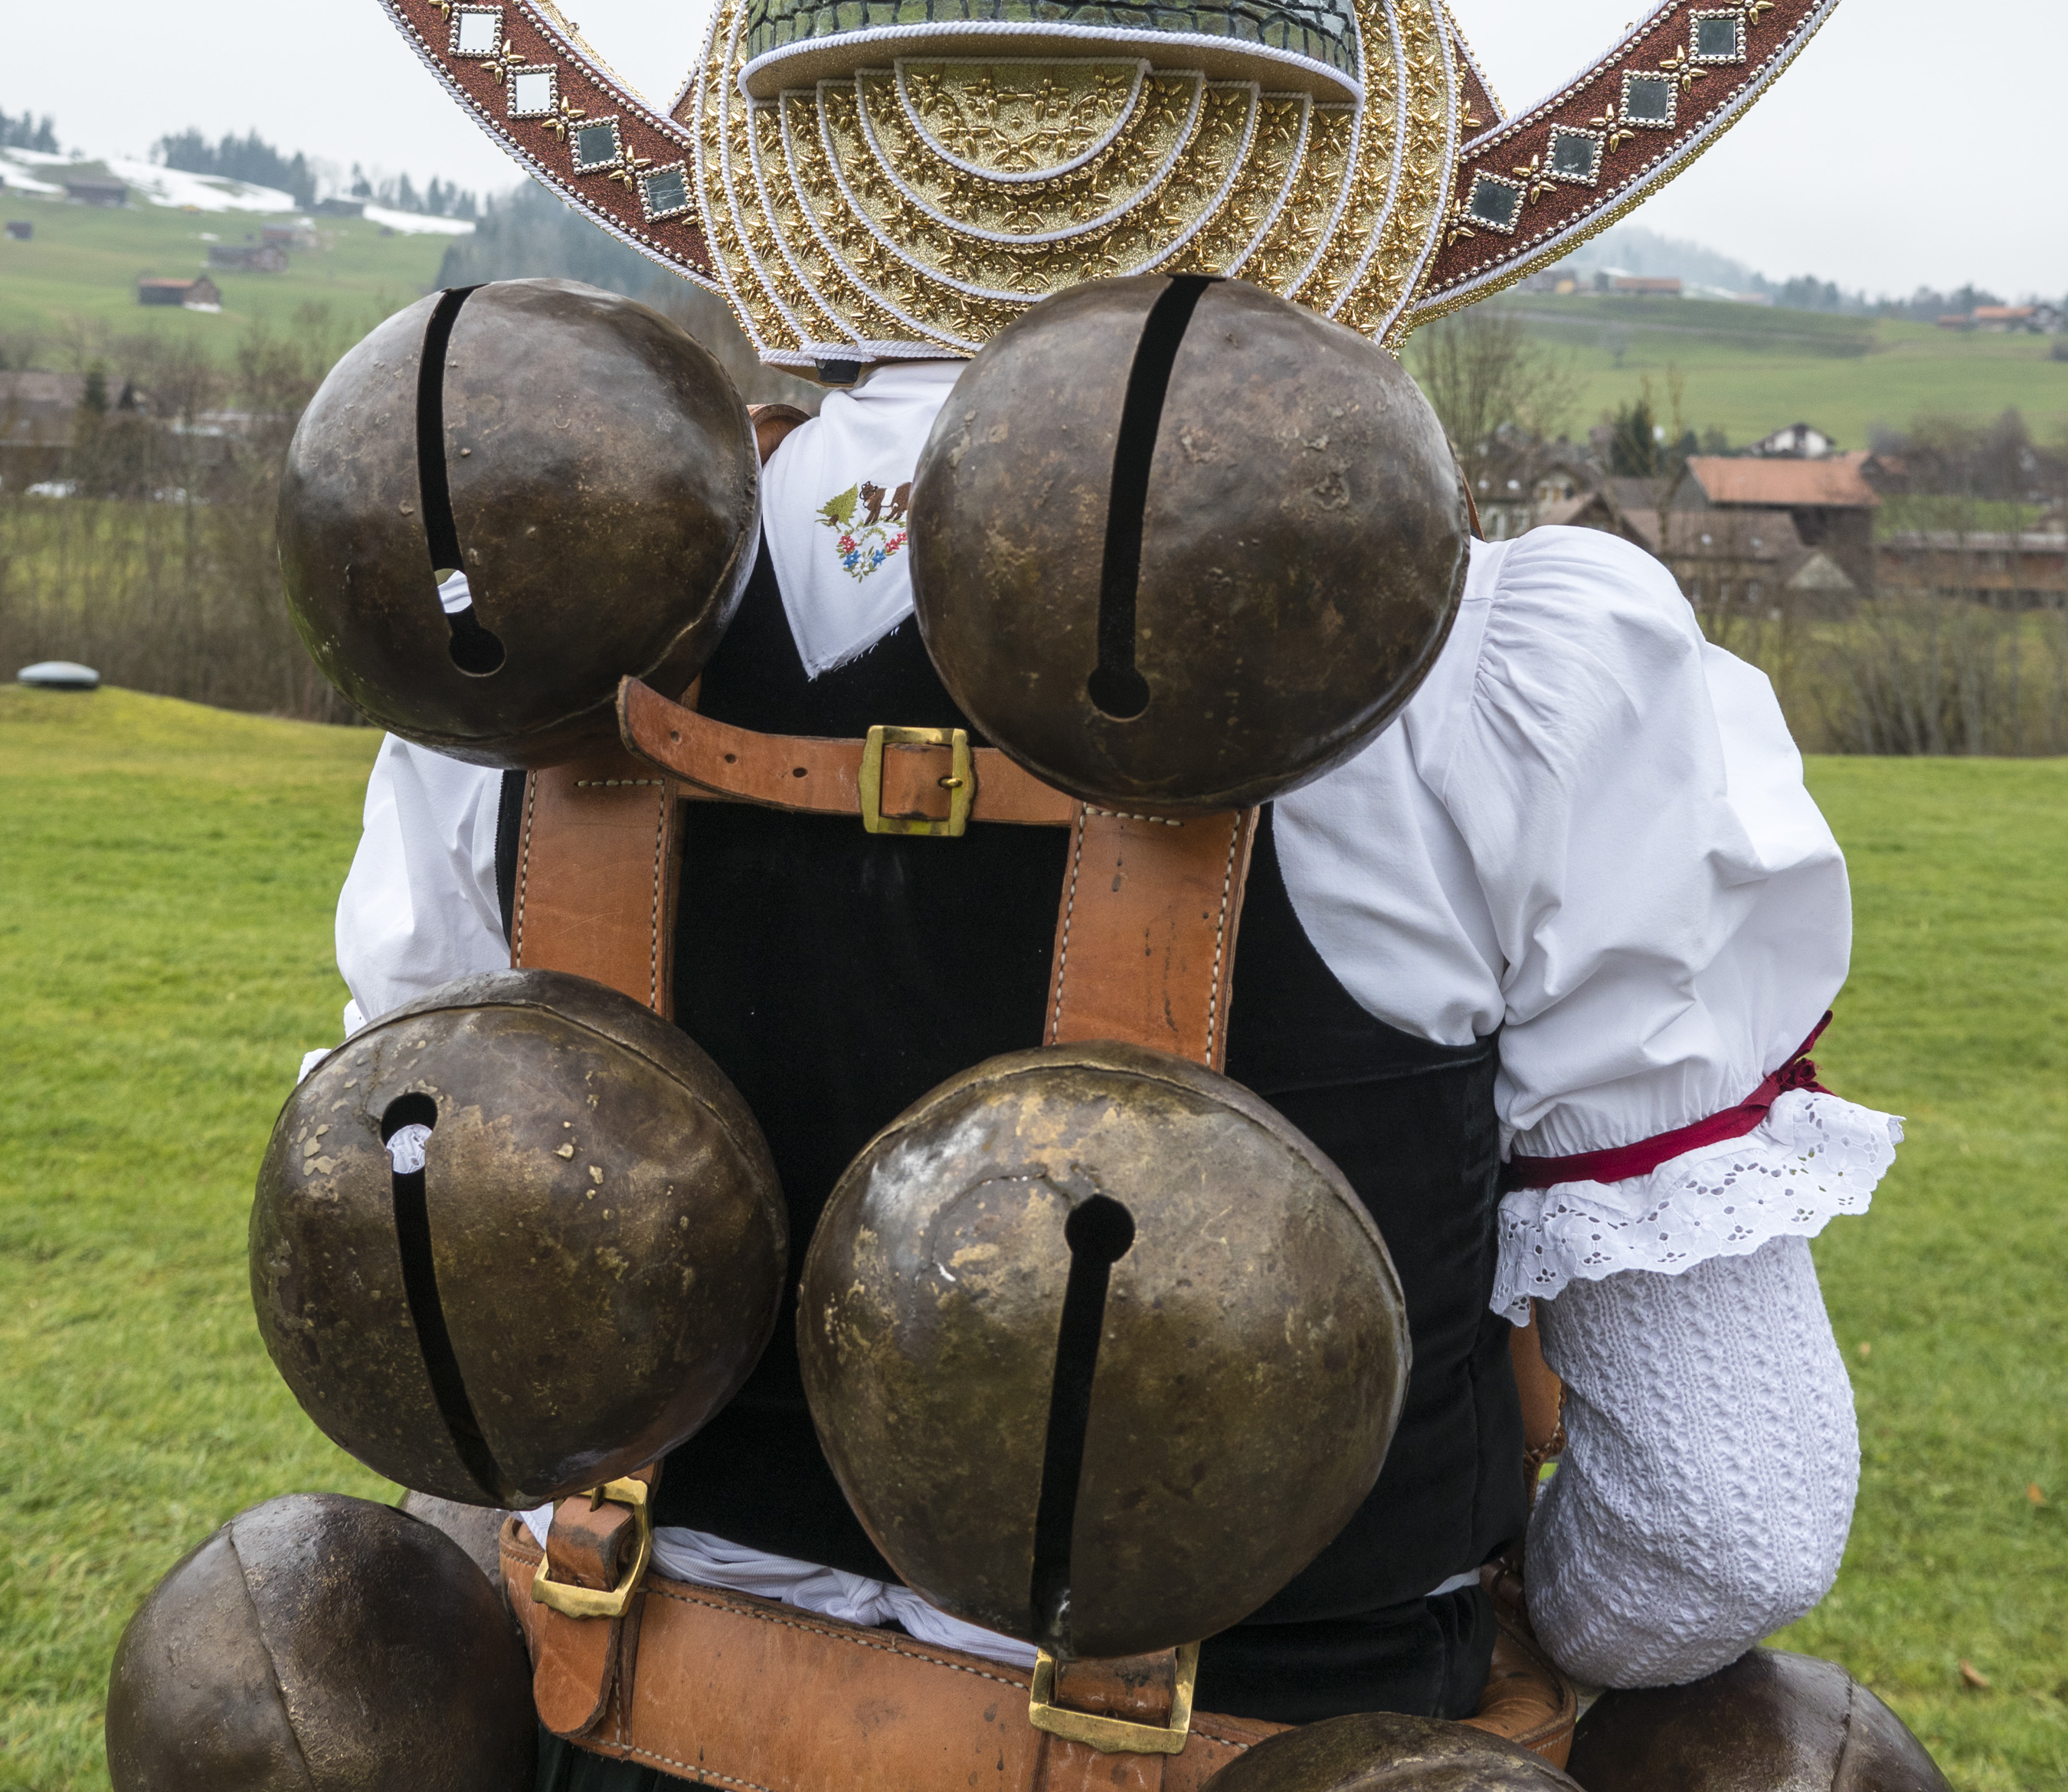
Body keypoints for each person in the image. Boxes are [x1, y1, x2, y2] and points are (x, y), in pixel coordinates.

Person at [333, 359, 1899, 1777]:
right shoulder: (1497, 666)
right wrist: (1534, 1651)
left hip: (620, 1733)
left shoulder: (531, 621)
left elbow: (449, 1338)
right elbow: (1718, 1521)